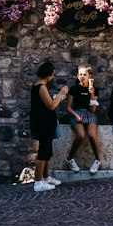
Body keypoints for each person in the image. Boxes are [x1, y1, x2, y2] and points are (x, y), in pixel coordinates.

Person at [30, 61, 67, 192]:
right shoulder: (41, 87)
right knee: (43, 152)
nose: (53, 77)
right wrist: (61, 94)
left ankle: (46, 177)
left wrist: (57, 98)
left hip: (45, 123)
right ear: (49, 75)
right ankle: (38, 182)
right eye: (52, 74)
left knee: (47, 151)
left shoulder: (38, 86)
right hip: (44, 124)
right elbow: (51, 106)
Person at [65, 65, 101, 174]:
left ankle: (98, 160)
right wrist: (76, 115)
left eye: (84, 74)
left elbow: (93, 109)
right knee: (81, 135)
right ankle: (70, 159)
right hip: (77, 113)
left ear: (89, 76)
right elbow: (68, 107)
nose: (82, 76)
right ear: (77, 76)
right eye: (80, 74)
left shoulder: (94, 89)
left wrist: (92, 94)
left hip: (90, 113)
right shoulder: (74, 89)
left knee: (91, 135)